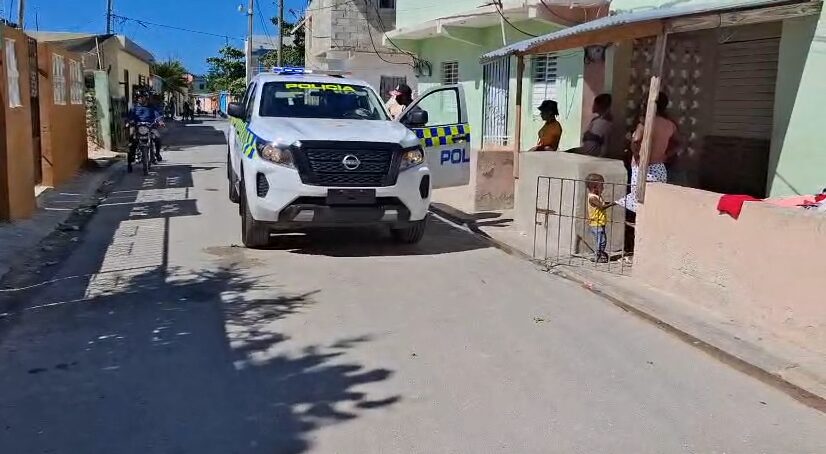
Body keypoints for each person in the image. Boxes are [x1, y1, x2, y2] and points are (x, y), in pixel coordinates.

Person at [618, 91, 679, 212]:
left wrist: (636, 155)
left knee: (638, 203)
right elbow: (679, 144)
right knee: (654, 203)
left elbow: (636, 140)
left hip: (642, 167)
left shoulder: (646, 122)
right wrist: (666, 155)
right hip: (659, 168)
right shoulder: (670, 125)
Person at [127, 92, 165, 168]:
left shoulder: (152, 107)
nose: (140, 99)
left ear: (146, 98)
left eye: (142, 97)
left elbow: (157, 116)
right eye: (139, 97)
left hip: (151, 128)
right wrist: (128, 123)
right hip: (139, 128)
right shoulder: (134, 108)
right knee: (132, 141)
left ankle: (157, 154)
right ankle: (131, 157)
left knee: (158, 138)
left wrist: (160, 122)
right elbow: (130, 117)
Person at [586, 173, 614, 263]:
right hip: (596, 223)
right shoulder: (592, 198)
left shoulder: (597, 196)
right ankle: (598, 256)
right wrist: (614, 203)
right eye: (601, 186)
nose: (603, 188)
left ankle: (599, 254)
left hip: (600, 222)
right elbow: (602, 207)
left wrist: (611, 202)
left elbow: (602, 204)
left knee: (601, 240)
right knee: (601, 241)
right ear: (595, 187)